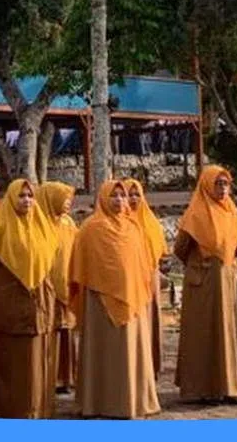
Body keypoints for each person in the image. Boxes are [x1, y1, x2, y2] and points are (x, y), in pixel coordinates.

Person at [70, 180, 159, 419]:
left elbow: (142, 265)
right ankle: (98, 402)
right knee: (102, 353)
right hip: (99, 304)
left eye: (122, 196)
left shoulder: (134, 228)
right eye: (114, 195)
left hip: (133, 300)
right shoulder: (90, 229)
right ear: (102, 198)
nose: (119, 200)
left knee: (130, 352)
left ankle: (133, 401)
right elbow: (80, 268)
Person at [0, 179, 59, 419]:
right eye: (21, 196)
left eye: (30, 196)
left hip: (40, 304)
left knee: (39, 360)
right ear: (12, 199)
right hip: (11, 304)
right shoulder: (1, 228)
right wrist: (11, 284)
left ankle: (40, 410)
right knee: (14, 362)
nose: (26, 200)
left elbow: (51, 261)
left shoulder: (44, 228)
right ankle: (13, 413)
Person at [173, 165, 237, 405]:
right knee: (202, 333)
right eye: (218, 184)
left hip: (224, 281)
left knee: (225, 333)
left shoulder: (232, 212)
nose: (223, 189)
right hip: (202, 282)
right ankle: (199, 388)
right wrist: (200, 265)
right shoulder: (195, 213)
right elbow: (181, 248)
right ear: (206, 185)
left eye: (226, 184)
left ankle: (228, 386)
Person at [124, 178, 167, 379]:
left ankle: (151, 366)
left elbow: (161, 252)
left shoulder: (151, 222)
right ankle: (135, 366)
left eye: (136, 194)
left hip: (150, 278)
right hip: (130, 281)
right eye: (128, 194)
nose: (133, 199)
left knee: (151, 320)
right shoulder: (120, 225)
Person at [41, 180, 79, 393]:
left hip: (67, 282)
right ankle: (51, 376)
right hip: (47, 287)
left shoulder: (69, 223)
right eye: (63, 198)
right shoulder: (39, 224)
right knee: (51, 332)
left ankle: (68, 377)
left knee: (67, 331)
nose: (67, 203)